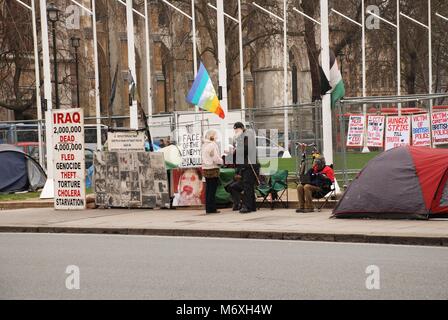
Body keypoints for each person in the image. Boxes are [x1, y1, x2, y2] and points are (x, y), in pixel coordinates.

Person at [227, 122, 259, 214]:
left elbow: (246, 149)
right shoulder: (242, 137)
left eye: (237, 129)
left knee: (247, 187)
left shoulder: (247, 136)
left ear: (241, 128)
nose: (235, 131)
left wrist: (236, 150)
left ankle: (247, 206)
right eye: (234, 130)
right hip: (245, 165)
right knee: (248, 187)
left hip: (249, 165)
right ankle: (252, 206)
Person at [201, 130, 223, 214]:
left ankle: (208, 208)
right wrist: (222, 161)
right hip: (213, 168)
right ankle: (212, 208)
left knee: (208, 189)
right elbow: (215, 158)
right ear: (212, 136)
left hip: (205, 168)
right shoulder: (213, 145)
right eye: (216, 135)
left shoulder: (204, 145)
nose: (217, 137)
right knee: (213, 190)